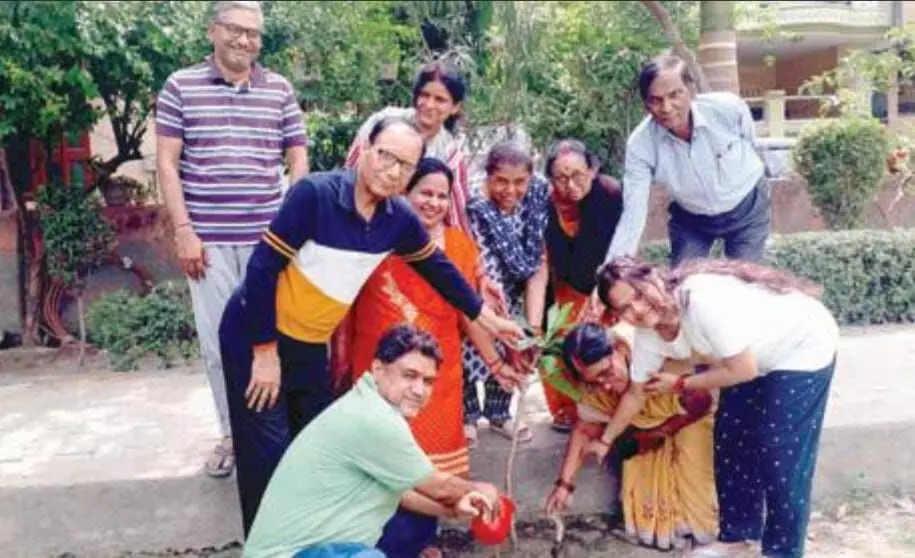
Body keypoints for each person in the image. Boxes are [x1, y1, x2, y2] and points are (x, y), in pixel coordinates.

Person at [219, 116, 523, 535]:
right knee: (267, 451)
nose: (393, 170)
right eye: (386, 156)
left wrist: (485, 316)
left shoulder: (396, 216)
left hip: (309, 343)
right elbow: (262, 267)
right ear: (365, 150)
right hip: (257, 332)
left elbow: (439, 268)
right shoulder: (315, 195)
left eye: (405, 166)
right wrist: (264, 352)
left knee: (316, 445)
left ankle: (313, 540)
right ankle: (267, 546)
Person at [155, 0, 309, 478]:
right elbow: (166, 163)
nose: (246, 41)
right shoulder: (181, 86)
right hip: (210, 244)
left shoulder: (280, 89)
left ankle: (277, 434)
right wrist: (184, 231)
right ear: (213, 32)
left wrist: (292, 226)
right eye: (237, 30)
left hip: (272, 245)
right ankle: (232, 435)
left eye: (255, 34)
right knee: (219, 345)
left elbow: (298, 160)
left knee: (277, 339)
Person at [335, 158, 519, 557]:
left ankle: (421, 541)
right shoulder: (374, 240)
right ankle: (383, 542)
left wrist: (497, 364)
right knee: (384, 462)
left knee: (431, 465)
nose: (433, 202)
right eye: (425, 193)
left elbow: (470, 316)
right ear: (406, 194)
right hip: (380, 374)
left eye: (441, 195)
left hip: (437, 378)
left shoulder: (458, 246)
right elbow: (343, 303)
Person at [596, 256, 839, 558]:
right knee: (730, 436)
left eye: (639, 295)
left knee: (778, 449)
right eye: (624, 309)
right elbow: (635, 393)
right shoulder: (649, 334)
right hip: (749, 358)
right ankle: (738, 536)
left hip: (801, 344)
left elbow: (744, 370)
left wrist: (680, 384)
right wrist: (605, 441)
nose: (637, 310)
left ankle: (783, 551)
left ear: (653, 278)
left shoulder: (700, 302)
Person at [244, 325, 503, 558]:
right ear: (378, 369)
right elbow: (439, 487)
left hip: (314, 550)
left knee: (416, 524)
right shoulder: (374, 419)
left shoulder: (368, 404)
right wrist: (482, 491)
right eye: (409, 375)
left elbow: (402, 493)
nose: (419, 390)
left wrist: (453, 511)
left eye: (428, 381)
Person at [544, 322, 718, 550]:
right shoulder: (595, 387)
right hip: (644, 434)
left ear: (620, 350)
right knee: (645, 500)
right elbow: (585, 429)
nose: (604, 386)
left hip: (689, 419)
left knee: (697, 488)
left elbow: (701, 401)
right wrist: (564, 486)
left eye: (606, 373)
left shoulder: (656, 353)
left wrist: (658, 433)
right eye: (594, 381)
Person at [604, 54, 770, 268]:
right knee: (682, 287)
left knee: (744, 286)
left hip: (747, 209)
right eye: (656, 100)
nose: (666, 107)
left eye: (675, 95)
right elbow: (634, 211)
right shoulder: (640, 145)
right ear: (645, 105)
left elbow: (750, 143)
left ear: (691, 91)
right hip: (691, 220)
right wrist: (614, 270)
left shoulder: (728, 109)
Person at [462, 141, 550, 447]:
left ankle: (500, 414)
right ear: (488, 177)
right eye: (501, 181)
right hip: (480, 279)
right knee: (472, 345)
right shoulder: (474, 205)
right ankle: (467, 416)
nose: (510, 190)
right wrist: (493, 312)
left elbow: (538, 266)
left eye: (519, 182)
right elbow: (479, 261)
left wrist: (533, 329)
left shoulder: (538, 198)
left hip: (517, 284)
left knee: (516, 342)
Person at [541, 139, 624, 431]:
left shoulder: (609, 194)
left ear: (593, 169)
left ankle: (607, 407)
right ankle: (565, 410)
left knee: (603, 343)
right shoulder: (544, 201)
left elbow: (619, 244)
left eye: (578, 175)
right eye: (561, 178)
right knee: (557, 339)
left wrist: (603, 292)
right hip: (561, 284)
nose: (571, 185)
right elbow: (545, 256)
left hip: (604, 282)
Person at [345, 62, 470, 232]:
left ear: (455, 107)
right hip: (359, 221)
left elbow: (456, 218)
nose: (429, 104)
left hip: (412, 237)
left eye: (440, 100)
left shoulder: (450, 154)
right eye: (424, 95)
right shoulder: (383, 122)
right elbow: (349, 174)